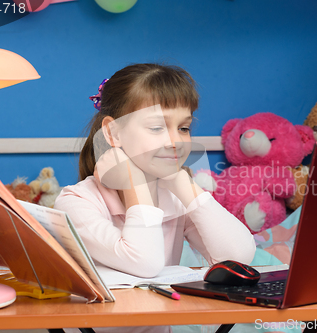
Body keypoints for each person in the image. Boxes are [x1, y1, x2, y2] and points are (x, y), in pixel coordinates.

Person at [54, 63, 256, 333]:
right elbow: (144, 263)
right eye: (157, 127)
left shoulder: (173, 197)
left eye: (183, 128)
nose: (175, 141)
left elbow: (239, 257)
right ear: (113, 133)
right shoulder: (76, 202)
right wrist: (134, 185)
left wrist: (183, 183)